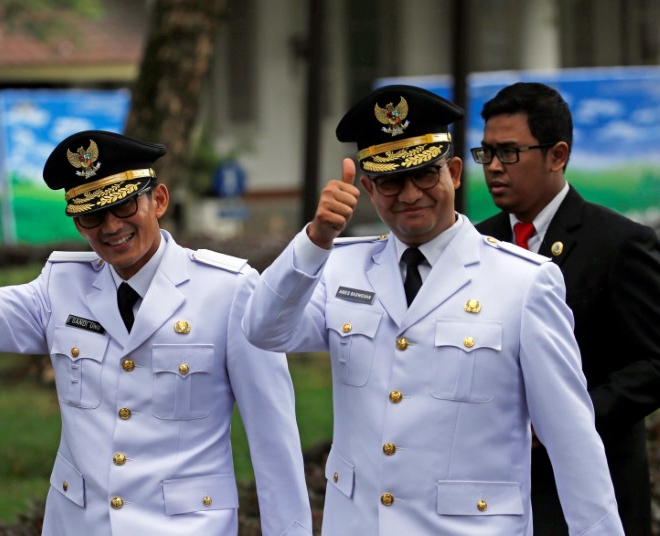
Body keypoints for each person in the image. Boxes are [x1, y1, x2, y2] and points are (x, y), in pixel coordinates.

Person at [241, 85, 624, 535]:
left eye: (425, 174)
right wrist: (314, 240)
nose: (410, 194)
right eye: (391, 181)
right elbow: (263, 329)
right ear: (368, 187)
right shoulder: (339, 266)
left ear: (455, 172)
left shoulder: (524, 283)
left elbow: (572, 439)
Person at [0, 111, 312, 536]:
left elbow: (274, 441)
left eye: (123, 205)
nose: (112, 226)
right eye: (92, 216)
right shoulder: (61, 285)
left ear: (157, 200)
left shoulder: (229, 290)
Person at [474, 81, 660, 535]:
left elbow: (654, 363)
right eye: (486, 154)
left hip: (588, 489)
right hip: (489, 489)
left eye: (510, 153)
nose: (494, 168)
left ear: (557, 155)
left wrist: (567, 417)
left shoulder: (618, 243)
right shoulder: (475, 243)